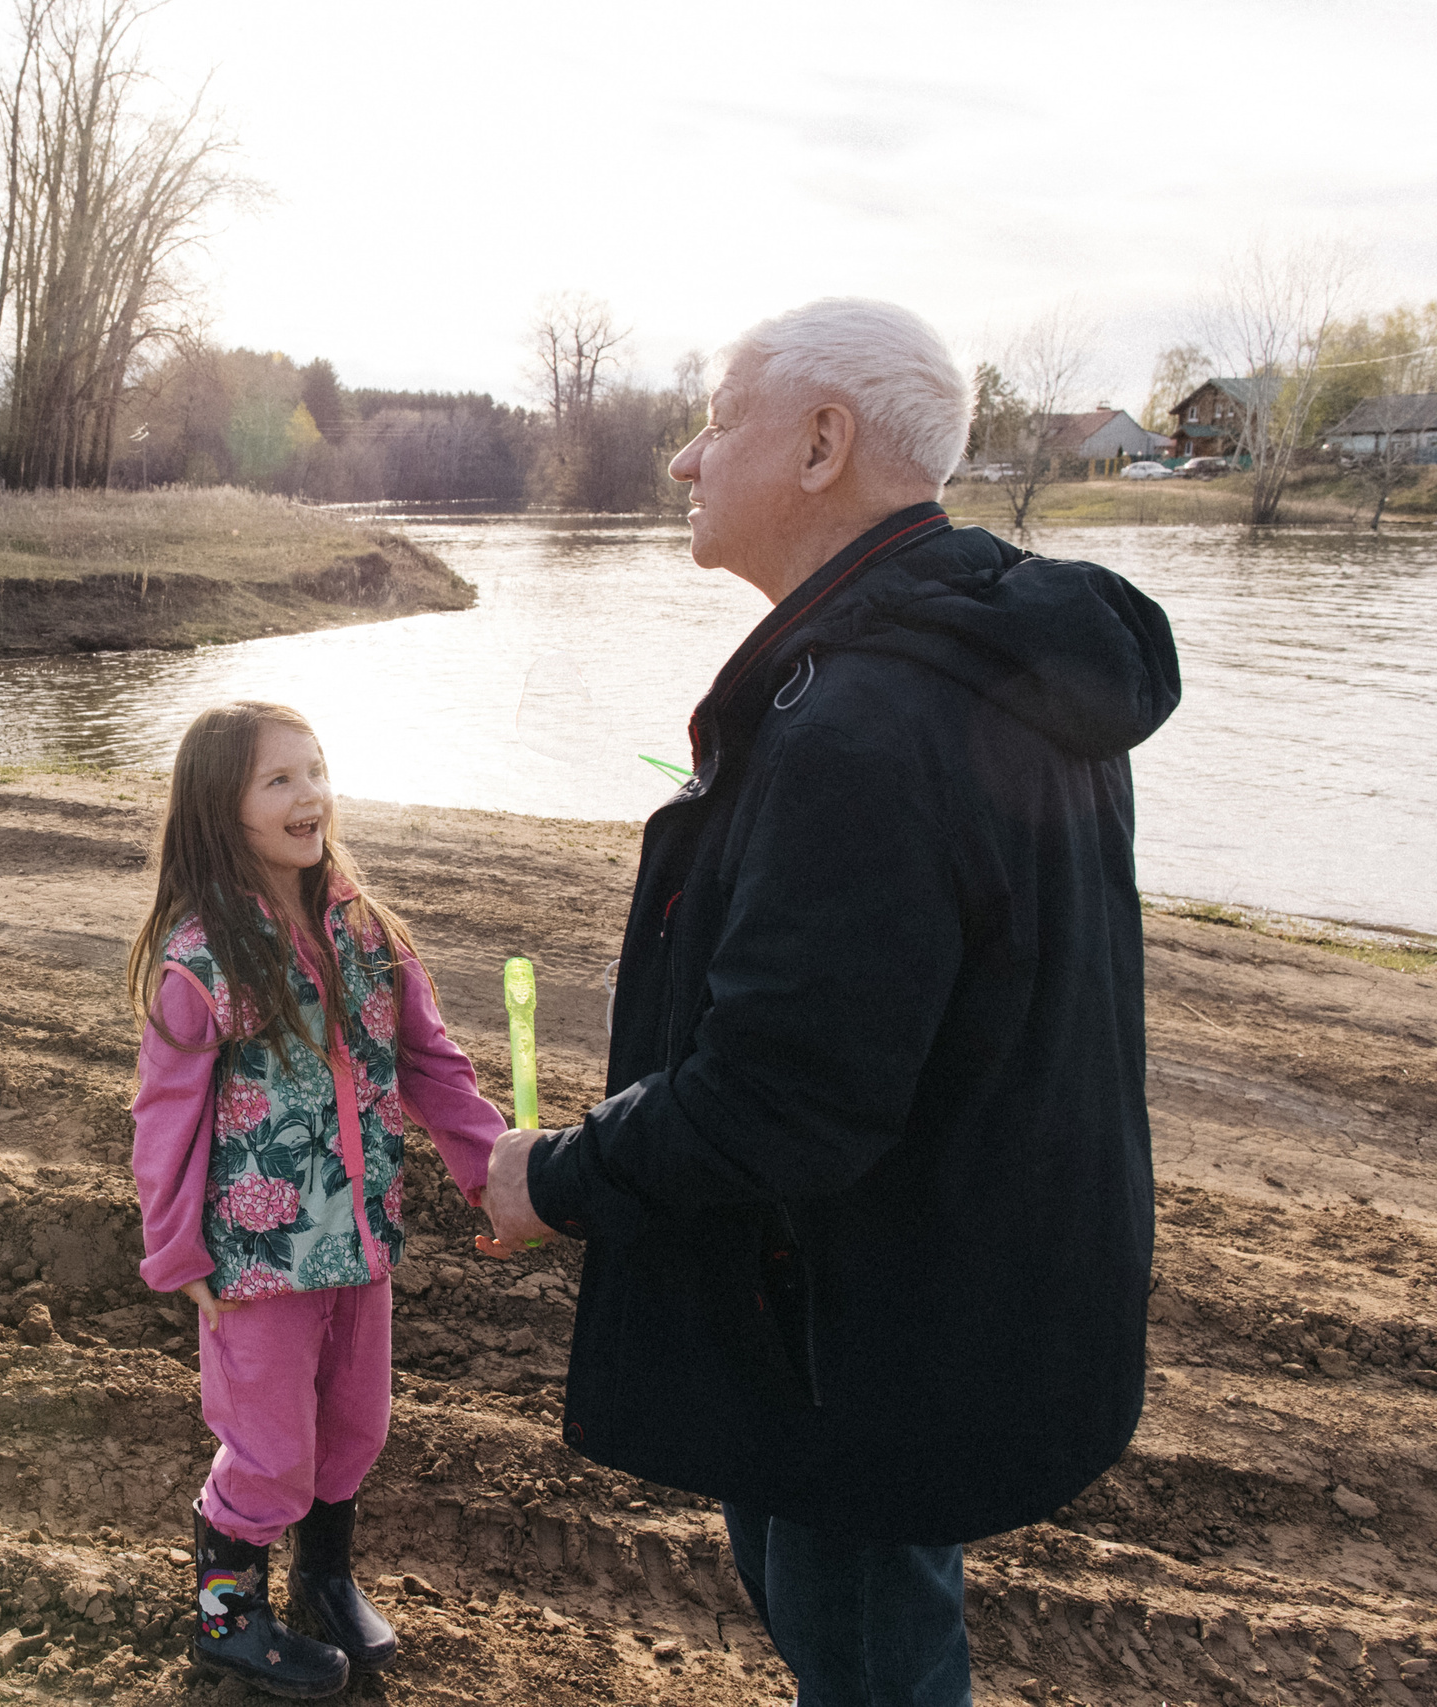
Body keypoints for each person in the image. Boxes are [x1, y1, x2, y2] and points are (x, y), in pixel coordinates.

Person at [478, 299, 1181, 1707]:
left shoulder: (869, 717)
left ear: (820, 444)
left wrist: (554, 1174)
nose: (685, 457)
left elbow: (788, 1098)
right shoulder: (983, 656)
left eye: (719, 417)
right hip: (953, 1284)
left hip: (864, 1332)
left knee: (867, 1658)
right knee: (882, 1633)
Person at [128, 701, 501, 1700]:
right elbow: (164, 1119)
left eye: (317, 770)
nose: (310, 796)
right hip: (254, 1262)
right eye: (279, 780)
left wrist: (494, 1167)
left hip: (363, 1237)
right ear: (224, 808)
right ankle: (226, 1616)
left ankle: (323, 1579)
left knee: (354, 1426)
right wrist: (177, 1255)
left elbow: (431, 1066)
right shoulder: (200, 958)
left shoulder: (366, 930)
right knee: (271, 1449)